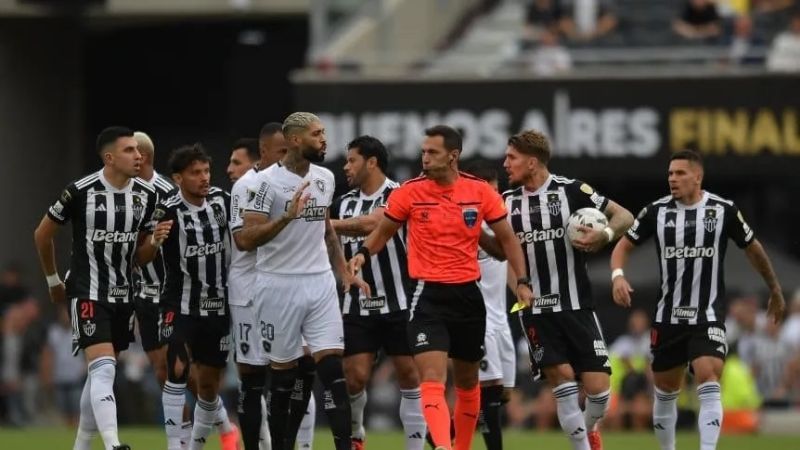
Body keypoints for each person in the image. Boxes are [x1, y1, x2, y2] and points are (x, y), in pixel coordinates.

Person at [348, 125, 532, 450]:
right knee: (432, 379)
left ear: (453, 156)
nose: (425, 157)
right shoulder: (409, 192)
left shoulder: (479, 191)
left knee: (468, 383)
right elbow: (384, 230)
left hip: (468, 297)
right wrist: (363, 253)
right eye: (423, 151)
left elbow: (508, 240)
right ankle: (444, 447)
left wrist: (522, 281)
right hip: (427, 296)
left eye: (432, 152)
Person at [610, 149, 786, 450]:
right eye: (670, 173)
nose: (673, 179)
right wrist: (617, 276)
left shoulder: (723, 210)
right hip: (668, 318)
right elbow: (623, 247)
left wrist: (774, 288)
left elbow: (753, 248)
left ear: (697, 177)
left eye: (680, 173)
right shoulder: (656, 212)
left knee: (708, 376)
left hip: (707, 315)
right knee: (666, 389)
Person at [481, 129, 634, 450]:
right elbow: (501, 252)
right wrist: (475, 233)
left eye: (512, 158)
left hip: (577, 305)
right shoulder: (506, 203)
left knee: (599, 390)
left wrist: (604, 235)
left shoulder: (572, 190)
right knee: (562, 380)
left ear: (532, 162)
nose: (505, 164)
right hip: (535, 309)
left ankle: (590, 429)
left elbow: (624, 216)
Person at [33, 126, 170, 450]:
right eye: (129, 150)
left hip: (124, 294)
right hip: (87, 291)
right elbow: (42, 234)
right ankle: (113, 444)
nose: (138, 156)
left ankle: (81, 445)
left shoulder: (147, 196)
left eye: (138, 150)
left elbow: (139, 257)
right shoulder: (80, 191)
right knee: (104, 369)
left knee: (101, 373)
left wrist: (154, 242)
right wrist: (53, 281)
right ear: (109, 158)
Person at [238, 112, 368, 450]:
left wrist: (343, 270)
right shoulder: (264, 183)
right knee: (283, 380)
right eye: (317, 134)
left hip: (320, 282)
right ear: (295, 140)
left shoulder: (325, 177)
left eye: (324, 132)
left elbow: (326, 230)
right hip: (278, 285)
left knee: (334, 374)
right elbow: (246, 239)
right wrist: (286, 217)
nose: (324, 139)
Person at [330, 135, 426, 450]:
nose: (346, 167)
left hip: (400, 301)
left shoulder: (400, 194)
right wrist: (342, 270)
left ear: (371, 162)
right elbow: (335, 246)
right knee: (354, 376)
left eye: (352, 160)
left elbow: (372, 223)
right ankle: (357, 434)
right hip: (357, 304)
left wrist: (326, 223)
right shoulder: (344, 202)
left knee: (409, 376)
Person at [143, 144, 239, 450]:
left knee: (208, 386)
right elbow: (140, 256)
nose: (204, 177)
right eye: (195, 173)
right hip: (179, 304)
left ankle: (202, 442)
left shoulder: (223, 201)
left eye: (206, 171)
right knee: (177, 369)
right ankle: (176, 445)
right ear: (178, 178)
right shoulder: (166, 210)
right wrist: (154, 242)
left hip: (218, 306)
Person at [462, 164, 516, 450]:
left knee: (503, 393)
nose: (494, 196)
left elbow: (507, 265)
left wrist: (523, 290)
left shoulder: (501, 222)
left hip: (501, 320)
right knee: (489, 391)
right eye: (488, 191)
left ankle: (441, 435)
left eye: (496, 191)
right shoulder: (464, 223)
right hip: (479, 320)